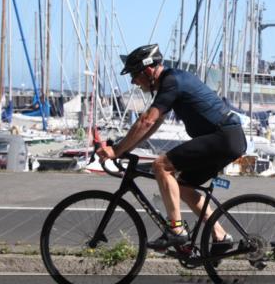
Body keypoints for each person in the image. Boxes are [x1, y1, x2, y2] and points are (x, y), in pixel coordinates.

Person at [97, 44, 247, 251]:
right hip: (229, 138)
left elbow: (146, 121)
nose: (133, 81)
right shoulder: (172, 80)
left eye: (134, 75)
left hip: (223, 137)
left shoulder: (171, 81)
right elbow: (154, 123)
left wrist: (117, 150)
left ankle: (176, 230)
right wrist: (126, 148)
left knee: (161, 166)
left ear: (148, 70)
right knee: (183, 187)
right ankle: (220, 237)